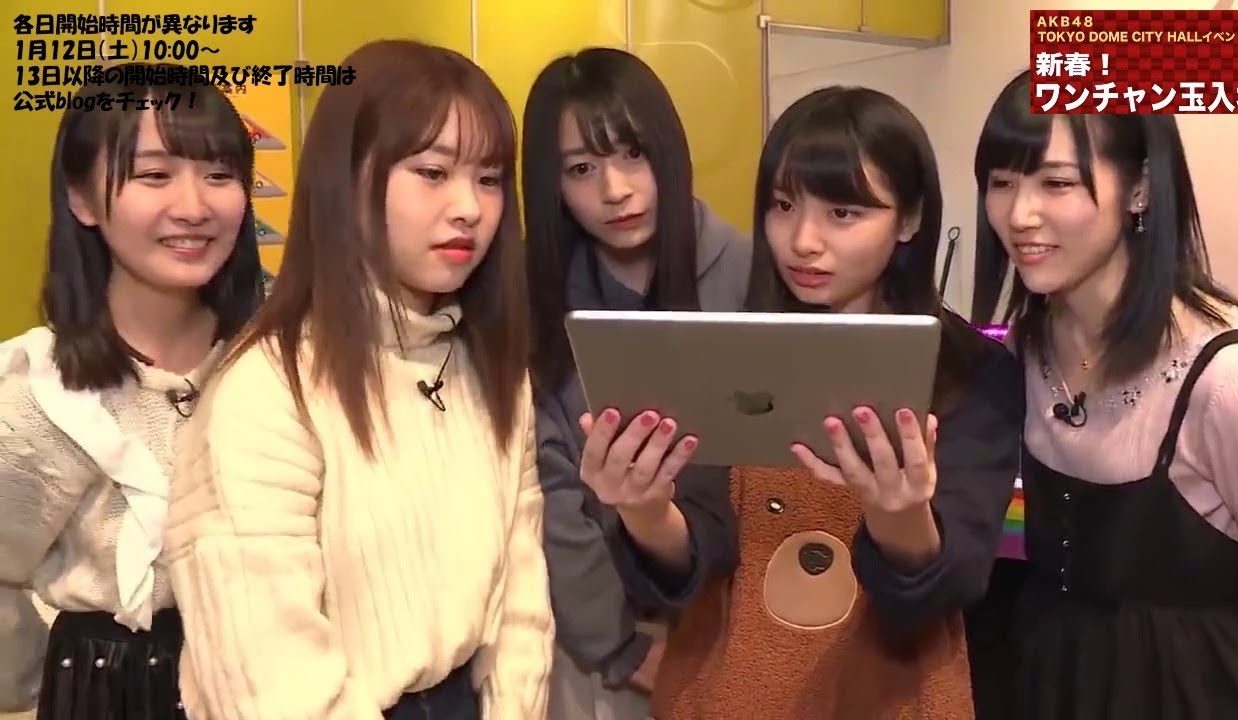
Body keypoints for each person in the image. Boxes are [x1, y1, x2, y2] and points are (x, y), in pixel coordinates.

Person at [591, 86, 1025, 719]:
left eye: (842, 212)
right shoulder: (725, 349)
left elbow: (949, 585)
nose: (802, 240)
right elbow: (700, 554)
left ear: (908, 220)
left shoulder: (972, 373)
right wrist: (643, 509)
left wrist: (899, 514)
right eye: (783, 205)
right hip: (729, 694)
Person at [162, 40, 553, 720]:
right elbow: (270, 680)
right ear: (349, 178)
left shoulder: (489, 369)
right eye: (433, 172)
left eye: (490, 179)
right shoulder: (267, 390)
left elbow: (521, 604)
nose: (469, 206)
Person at [970, 69, 1238, 720]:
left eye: (1056, 183)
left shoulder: (1236, 384)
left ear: (1140, 189)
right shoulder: (1023, 349)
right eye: (1001, 182)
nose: (1019, 215)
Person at [0, 64, 264, 719]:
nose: (194, 206)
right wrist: (57, 681)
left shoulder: (278, 367)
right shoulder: (38, 394)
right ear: (82, 199)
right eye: (154, 175)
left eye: (219, 175)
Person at [521, 47, 751, 719]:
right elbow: (549, 490)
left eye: (633, 154)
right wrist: (614, 643)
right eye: (581, 169)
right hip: (605, 640)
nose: (615, 189)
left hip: (747, 626)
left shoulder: (748, 271)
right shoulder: (535, 302)